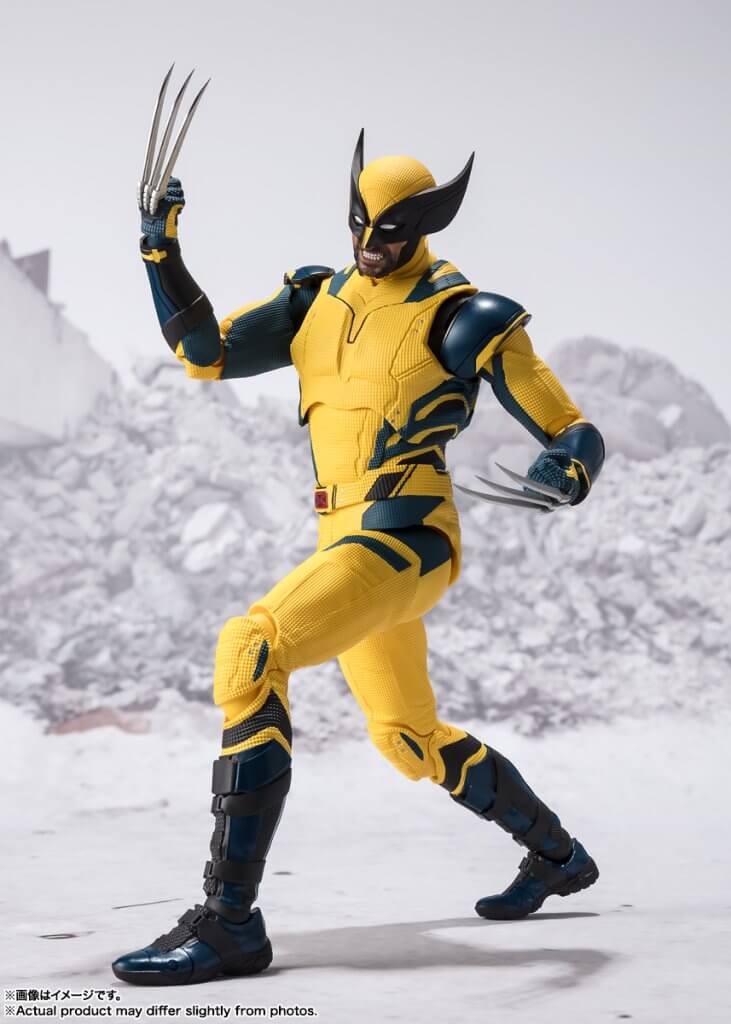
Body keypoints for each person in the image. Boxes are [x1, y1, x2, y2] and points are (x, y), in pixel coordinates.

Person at [112, 99, 604, 985]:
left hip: (408, 539)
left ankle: (230, 922)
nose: (371, 242)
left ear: (426, 224)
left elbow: (568, 426)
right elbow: (204, 353)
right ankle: (557, 857)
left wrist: (566, 466)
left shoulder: (463, 314)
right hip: (343, 540)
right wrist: (161, 253)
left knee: (252, 647)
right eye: (360, 224)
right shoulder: (315, 299)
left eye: (391, 230)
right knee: (406, 736)